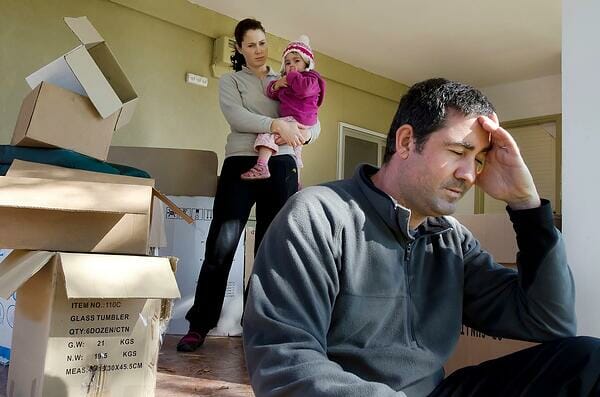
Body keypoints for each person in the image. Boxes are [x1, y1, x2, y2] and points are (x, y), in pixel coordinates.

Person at [243, 78, 600, 396]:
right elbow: (284, 362)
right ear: (406, 141)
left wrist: (526, 205)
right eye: (459, 152)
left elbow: (550, 320)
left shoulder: (451, 240)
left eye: (477, 160)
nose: (468, 174)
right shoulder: (318, 216)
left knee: (589, 361)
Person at [176, 18, 320, 352]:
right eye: (251, 44)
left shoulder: (286, 76)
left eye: (263, 43)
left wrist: (303, 133)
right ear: (239, 48)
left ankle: (258, 328)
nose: (259, 50)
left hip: (282, 164)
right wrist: (275, 123)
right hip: (241, 162)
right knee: (221, 245)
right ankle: (200, 324)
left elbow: (314, 119)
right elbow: (236, 117)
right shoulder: (231, 81)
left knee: (271, 250)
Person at [241, 35, 325, 181]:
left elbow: (305, 90)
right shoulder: (288, 81)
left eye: (296, 61)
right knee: (295, 151)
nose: (291, 65)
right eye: (287, 62)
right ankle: (297, 180)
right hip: (296, 120)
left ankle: (261, 165)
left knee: (268, 134)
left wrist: (291, 76)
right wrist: (276, 85)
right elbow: (274, 94)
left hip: (300, 117)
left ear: (307, 63)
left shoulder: (311, 78)